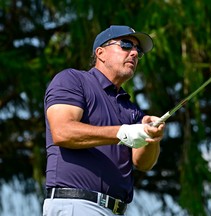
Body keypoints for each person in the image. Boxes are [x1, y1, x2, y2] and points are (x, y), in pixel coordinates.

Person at [43, 25, 165, 216]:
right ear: (100, 52)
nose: (134, 53)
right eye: (126, 45)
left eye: (138, 50)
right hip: (77, 204)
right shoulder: (72, 80)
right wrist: (122, 132)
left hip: (114, 211)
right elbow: (62, 131)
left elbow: (143, 163)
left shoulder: (130, 108)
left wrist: (151, 135)